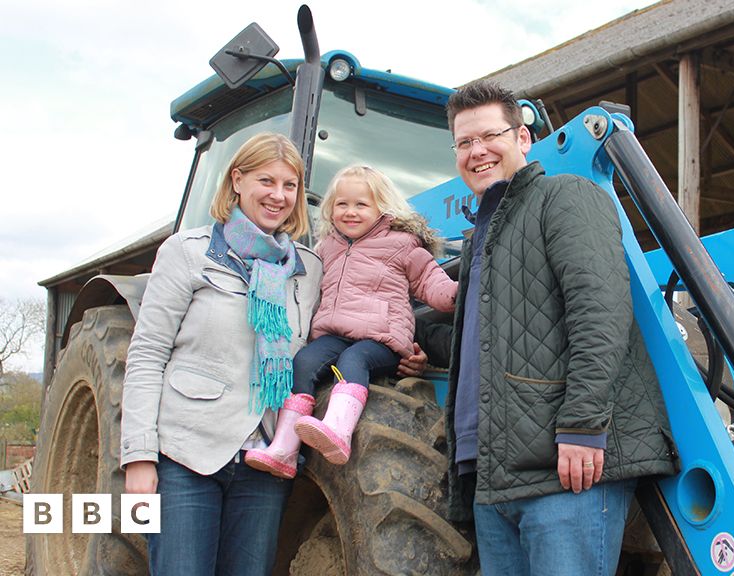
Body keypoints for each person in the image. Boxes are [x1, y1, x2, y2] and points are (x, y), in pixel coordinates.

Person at [430, 80, 680, 575]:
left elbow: (600, 310)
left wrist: (583, 424)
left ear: (523, 139)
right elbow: (490, 338)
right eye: (464, 143)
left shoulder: (563, 196)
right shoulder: (482, 236)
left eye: (489, 136)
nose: (476, 151)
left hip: (561, 470)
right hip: (491, 472)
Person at [120, 132, 323, 576]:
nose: (279, 195)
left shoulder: (307, 270)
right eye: (266, 181)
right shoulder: (188, 253)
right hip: (187, 454)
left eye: (290, 186)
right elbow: (148, 354)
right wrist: (139, 457)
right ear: (237, 180)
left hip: (264, 458)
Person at [245, 164, 457, 477]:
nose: (350, 212)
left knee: (353, 359)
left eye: (361, 204)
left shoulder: (402, 244)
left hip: (380, 340)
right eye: (342, 204)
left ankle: (338, 432)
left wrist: (459, 293)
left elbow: (430, 281)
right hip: (336, 333)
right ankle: (284, 449)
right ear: (331, 209)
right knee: (303, 362)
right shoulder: (325, 247)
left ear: (382, 208)